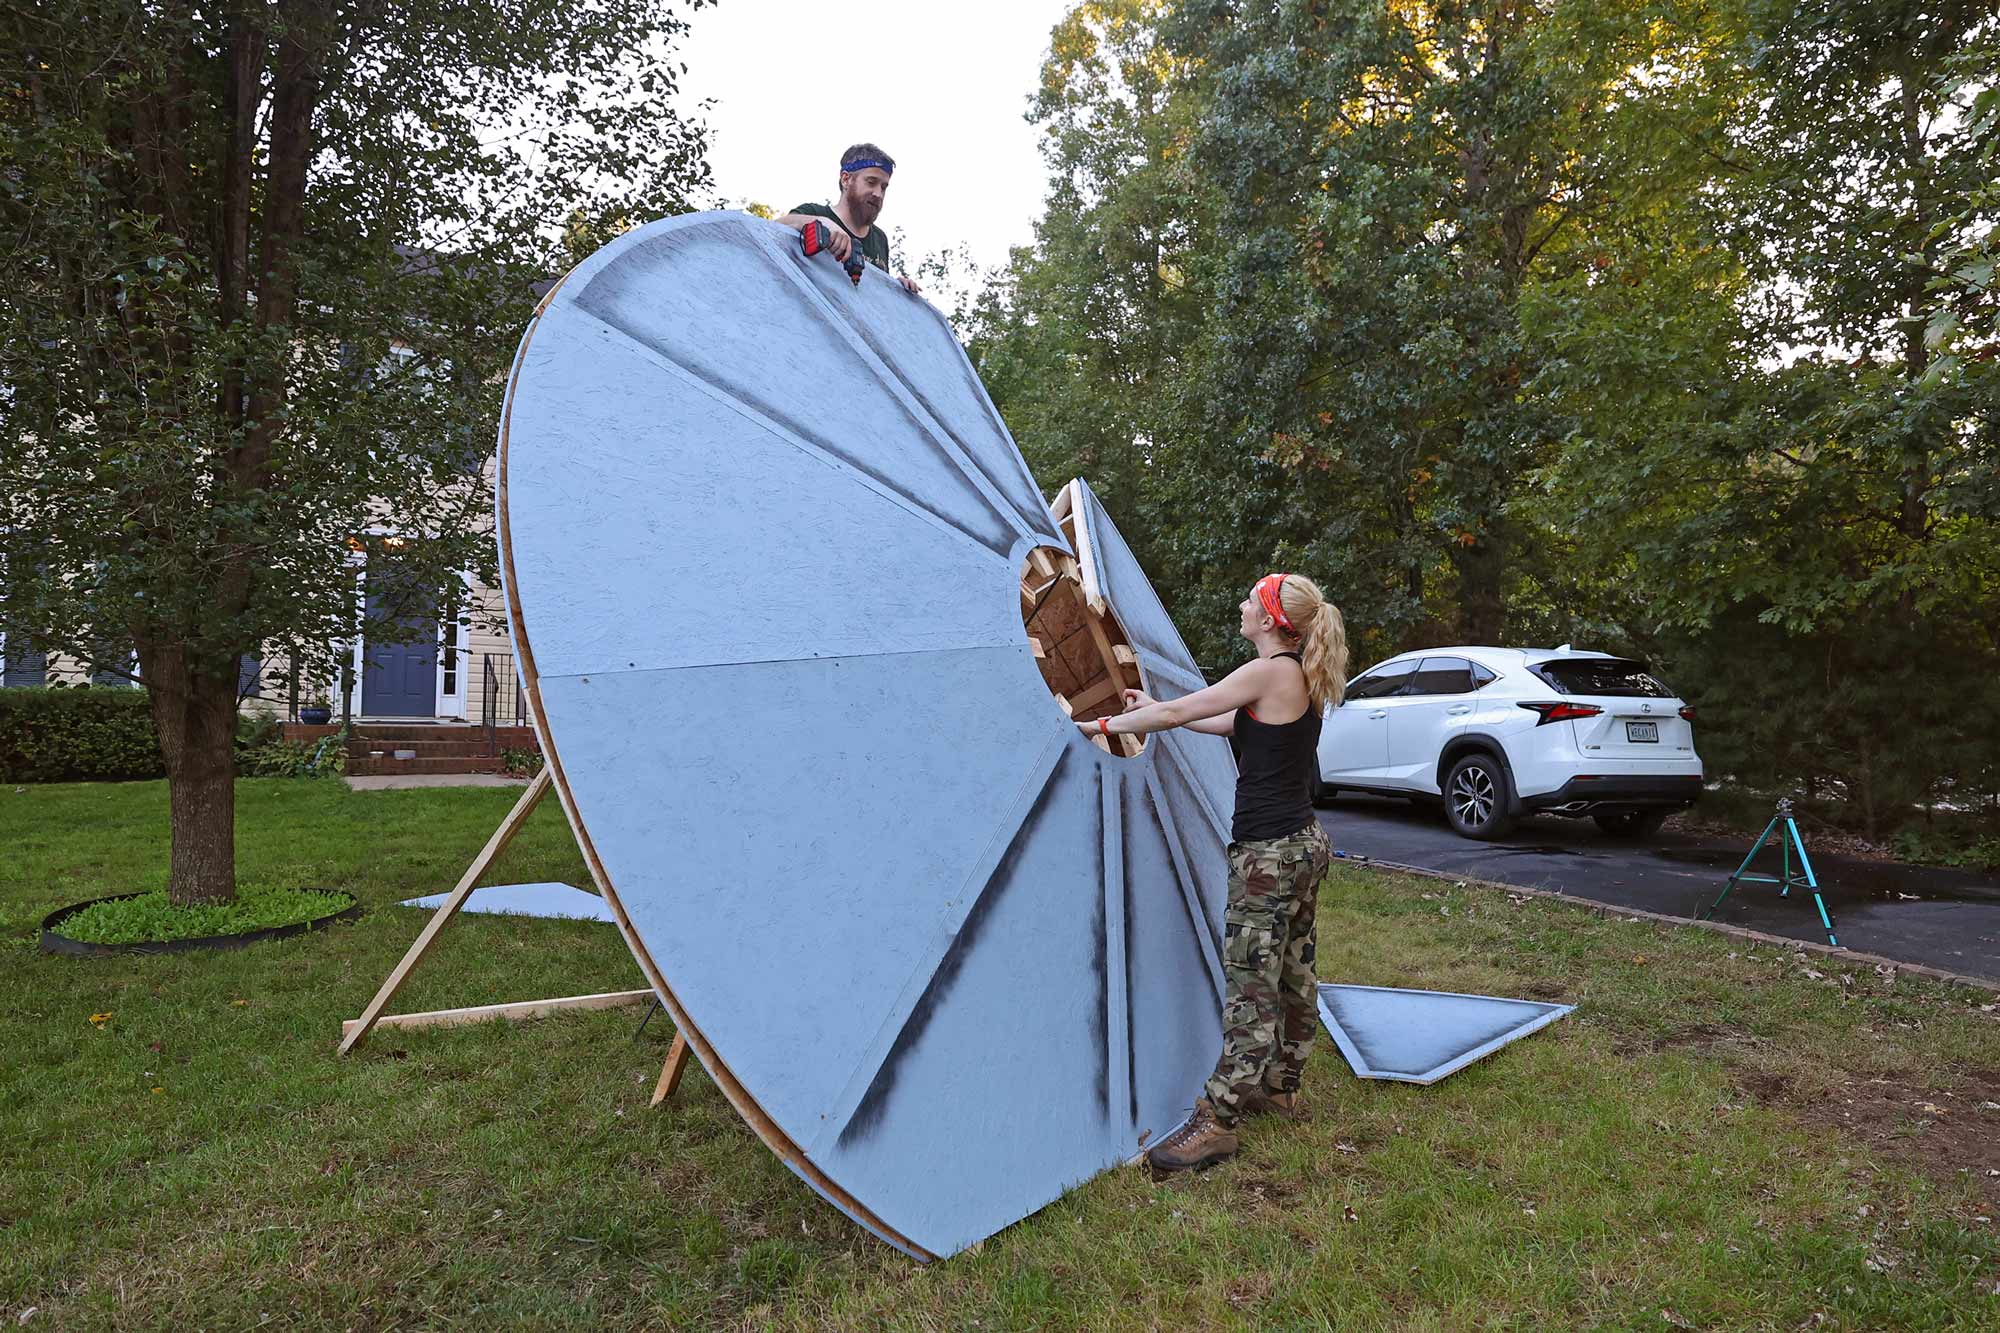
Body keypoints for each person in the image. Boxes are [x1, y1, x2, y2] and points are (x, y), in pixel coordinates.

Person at [1079, 573, 1347, 1172]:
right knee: (1293, 973)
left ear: (1273, 620)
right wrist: (1149, 710)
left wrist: (1098, 728)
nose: (1242, 604)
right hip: (1303, 845)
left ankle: (1219, 1122)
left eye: (1251, 599)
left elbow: (1183, 708)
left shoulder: (1269, 669)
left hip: (1268, 858)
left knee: (1251, 986)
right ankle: (1282, 1087)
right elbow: (1219, 721)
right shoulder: (1296, 675)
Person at [773, 143, 923, 294]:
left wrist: (897, 287)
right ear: (846, 179)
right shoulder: (814, 212)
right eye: (871, 182)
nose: (878, 193)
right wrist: (823, 222)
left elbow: (872, 295)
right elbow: (772, 228)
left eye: (883, 187)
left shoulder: (880, 239)